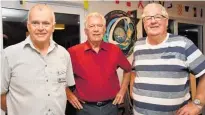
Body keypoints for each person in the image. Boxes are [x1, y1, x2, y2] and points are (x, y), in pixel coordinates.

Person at [131, 3, 205, 115]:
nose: (153, 21)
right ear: (144, 23)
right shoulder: (138, 45)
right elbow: (135, 71)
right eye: (148, 18)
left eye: (158, 17)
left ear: (166, 21)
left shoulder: (183, 44)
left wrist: (198, 103)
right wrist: (133, 91)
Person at [1, 4, 75, 115]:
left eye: (46, 23)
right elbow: (1, 95)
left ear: (53, 26)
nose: (41, 28)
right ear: (28, 25)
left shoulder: (64, 54)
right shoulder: (9, 55)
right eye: (35, 23)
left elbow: (64, 88)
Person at [67, 12, 132, 115]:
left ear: (104, 29)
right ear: (86, 31)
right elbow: (59, 77)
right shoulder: (73, 52)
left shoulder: (114, 50)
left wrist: (122, 91)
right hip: (85, 109)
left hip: (111, 107)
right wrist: (68, 94)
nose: (96, 29)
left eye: (99, 26)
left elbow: (128, 70)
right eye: (92, 26)